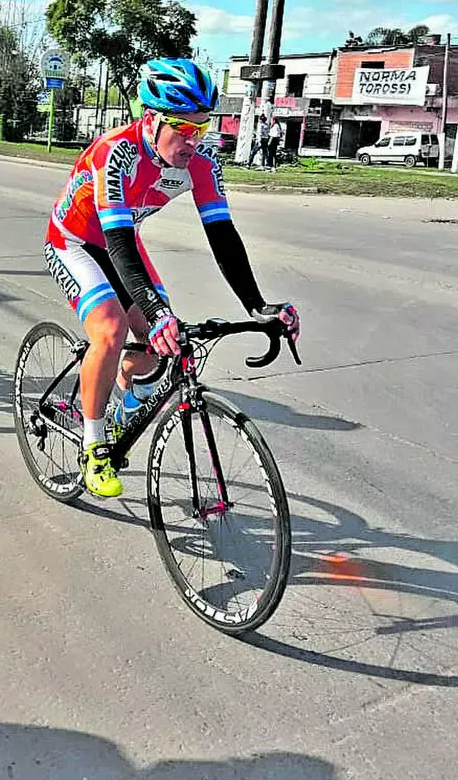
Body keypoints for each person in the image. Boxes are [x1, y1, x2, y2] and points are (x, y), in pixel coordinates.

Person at [44, 57, 300, 498]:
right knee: (111, 329)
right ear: (150, 119)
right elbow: (117, 242)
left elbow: (222, 234)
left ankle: (120, 401)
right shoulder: (114, 153)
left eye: (202, 127)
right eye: (182, 128)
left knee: (162, 343)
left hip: (124, 243)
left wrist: (258, 305)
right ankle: (93, 445)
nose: (193, 141)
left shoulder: (203, 161)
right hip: (75, 241)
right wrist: (155, 309)